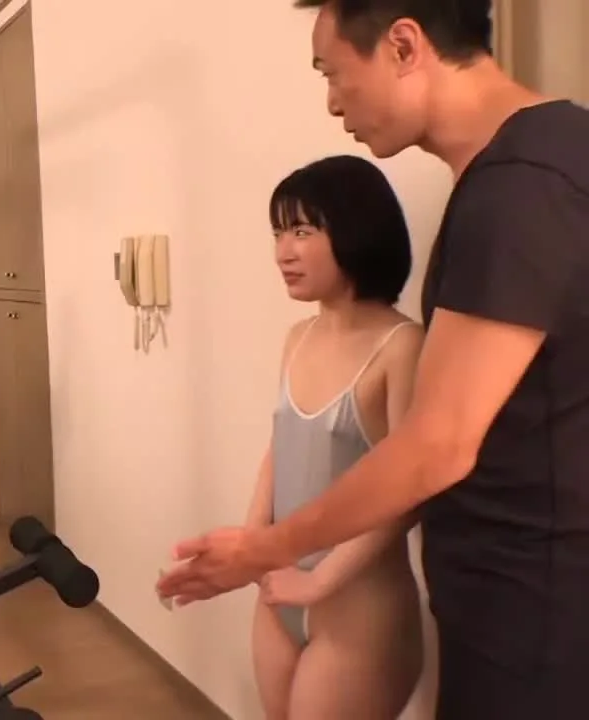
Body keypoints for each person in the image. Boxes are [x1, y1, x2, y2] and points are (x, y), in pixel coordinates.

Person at [156, 1, 589, 718]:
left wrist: (265, 549)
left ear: (403, 45)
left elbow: (435, 445)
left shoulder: (521, 188)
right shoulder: (546, 158)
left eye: (333, 73)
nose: (332, 103)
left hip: (534, 612)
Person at [248, 155, 424, 719]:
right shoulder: (297, 336)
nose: (283, 252)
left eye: (302, 231)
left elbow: (410, 491)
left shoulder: (402, 345)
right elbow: (280, 447)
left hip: (359, 608)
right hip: (279, 595)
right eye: (278, 233)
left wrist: (320, 580)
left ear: (355, 231)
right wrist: (251, 543)